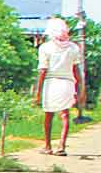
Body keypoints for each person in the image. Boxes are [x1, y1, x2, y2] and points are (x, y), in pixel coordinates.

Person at [33, 17, 82, 156]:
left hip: (51, 83)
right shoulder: (73, 47)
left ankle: (47, 146)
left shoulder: (45, 47)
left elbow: (43, 70)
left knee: (48, 115)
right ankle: (61, 146)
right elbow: (77, 70)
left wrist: (37, 92)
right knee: (65, 114)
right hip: (67, 83)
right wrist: (80, 89)